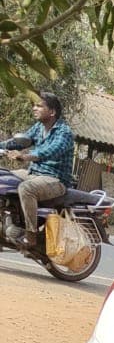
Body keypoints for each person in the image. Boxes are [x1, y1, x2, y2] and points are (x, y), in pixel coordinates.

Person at [0, 92, 75, 250]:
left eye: (39, 106)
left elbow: (50, 151)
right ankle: (8, 218)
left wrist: (25, 156)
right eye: (34, 105)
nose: (34, 108)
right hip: (33, 173)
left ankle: (31, 235)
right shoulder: (39, 127)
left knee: (26, 188)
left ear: (52, 112)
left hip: (55, 179)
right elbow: (20, 142)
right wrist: (2, 147)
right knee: (3, 177)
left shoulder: (65, 133)